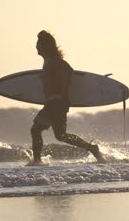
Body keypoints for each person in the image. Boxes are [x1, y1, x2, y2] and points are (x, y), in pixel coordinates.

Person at [29, 30, 105, 165]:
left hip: (56, 102)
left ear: (44, 46)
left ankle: (36, 161)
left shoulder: (54, 60)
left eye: (38, 43)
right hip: (55, 102)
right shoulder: (49, 61)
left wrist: (62, 91)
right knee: (61, 136)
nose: (36, 46)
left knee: (35, 130)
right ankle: (92, 148)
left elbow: (68, 70)